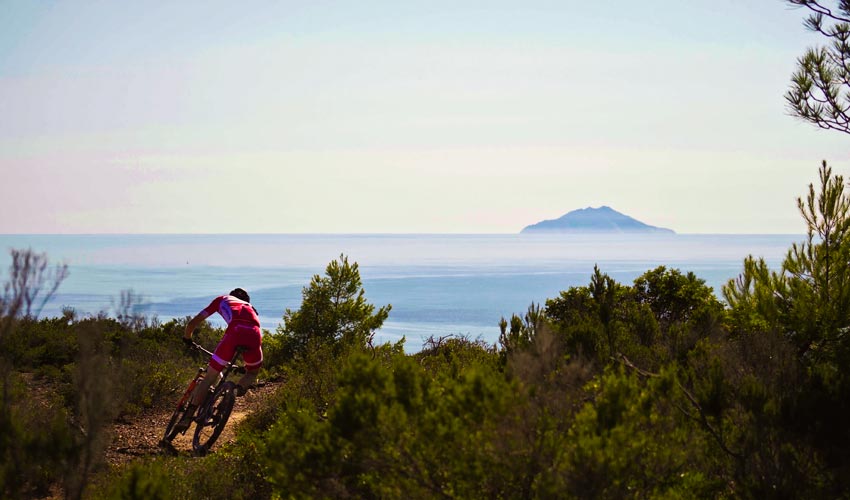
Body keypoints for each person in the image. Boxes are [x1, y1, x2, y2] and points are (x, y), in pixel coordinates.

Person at [173, 287, 263, 433]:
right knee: (252, 372)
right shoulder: (252, 308)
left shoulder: (222, 299)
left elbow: (192, 323)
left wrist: (187, 338)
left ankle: (187, 417)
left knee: (209, 378)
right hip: (255, 334)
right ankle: (234, 392)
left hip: (235, 332)